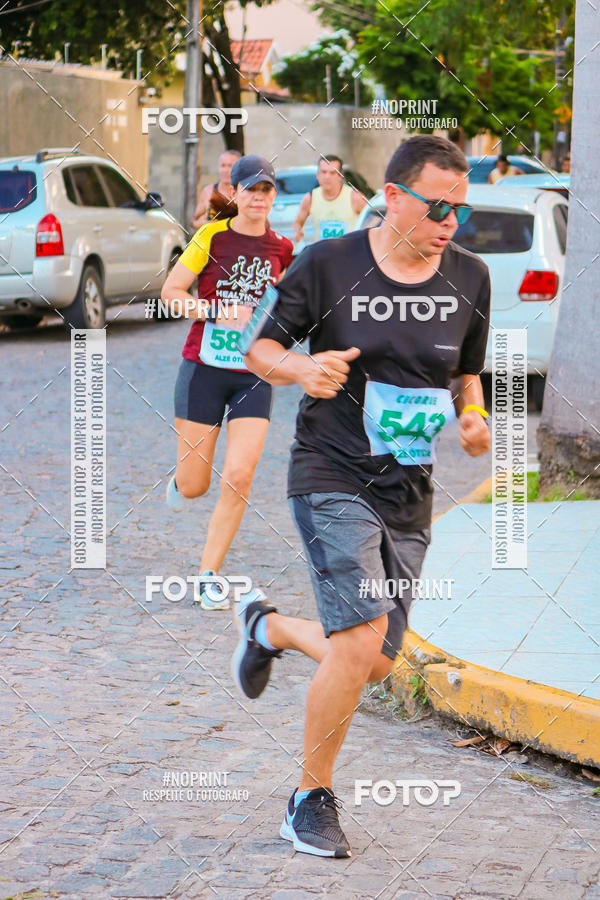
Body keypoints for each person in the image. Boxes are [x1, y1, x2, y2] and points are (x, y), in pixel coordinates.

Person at [235, 135, 491, 857]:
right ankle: (308, 798)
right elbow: (260, 348)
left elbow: (466, 374)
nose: (450, 223)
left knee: (375, 662)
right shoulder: (329, 264)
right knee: (355, 642)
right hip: (331, 471)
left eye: (460, 211)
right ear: (394, 196)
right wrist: (300, 369)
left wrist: (472, 417)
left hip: (408, 489)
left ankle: (268, 628)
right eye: (438, 207)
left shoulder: (470, 277)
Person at [161, 155, 294, 609]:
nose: (259, 198)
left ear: (274, 196)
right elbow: (171, 294)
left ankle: (207, 575)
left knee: (239, 476)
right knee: (195, 484)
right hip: (203, 368)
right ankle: (181, 481)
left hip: (253, 376)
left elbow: (285, 307)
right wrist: (215, 311)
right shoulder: (211, 236)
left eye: (267, 190)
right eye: (251, 189)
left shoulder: (283, 248)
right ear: (234, 193)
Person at [293, 154, 367, 244]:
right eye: (324, 172)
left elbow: (374, 220)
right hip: (322, 255)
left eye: (332, 173)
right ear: (317, 175)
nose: (327, 177)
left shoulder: (355, 197)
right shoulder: (310, 197)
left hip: (348, 255)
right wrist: (298, 233)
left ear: (340, 176)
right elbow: (298, 223)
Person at [191, 149, 241, 228]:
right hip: (214, 238)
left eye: (230, 166)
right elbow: (194, 221)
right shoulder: (209, 191)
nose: (226, 170)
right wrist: (207, 224)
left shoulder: (245, 192)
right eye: (223, 165)